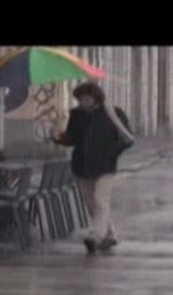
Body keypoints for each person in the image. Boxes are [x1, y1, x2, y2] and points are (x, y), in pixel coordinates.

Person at [53, 82, 133, 254]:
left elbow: (127, 138)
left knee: (100, 200)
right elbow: (72, 138)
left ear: (96, 99)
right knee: (91, 204)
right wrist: (59, 137)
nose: (83, 103)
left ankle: (95, 237)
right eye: (80, 100)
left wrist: (112, 153)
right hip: (82, 165)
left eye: (87, 99)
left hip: (105, 166)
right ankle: (109, 235)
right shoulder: (77, 115)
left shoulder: (113, 113)